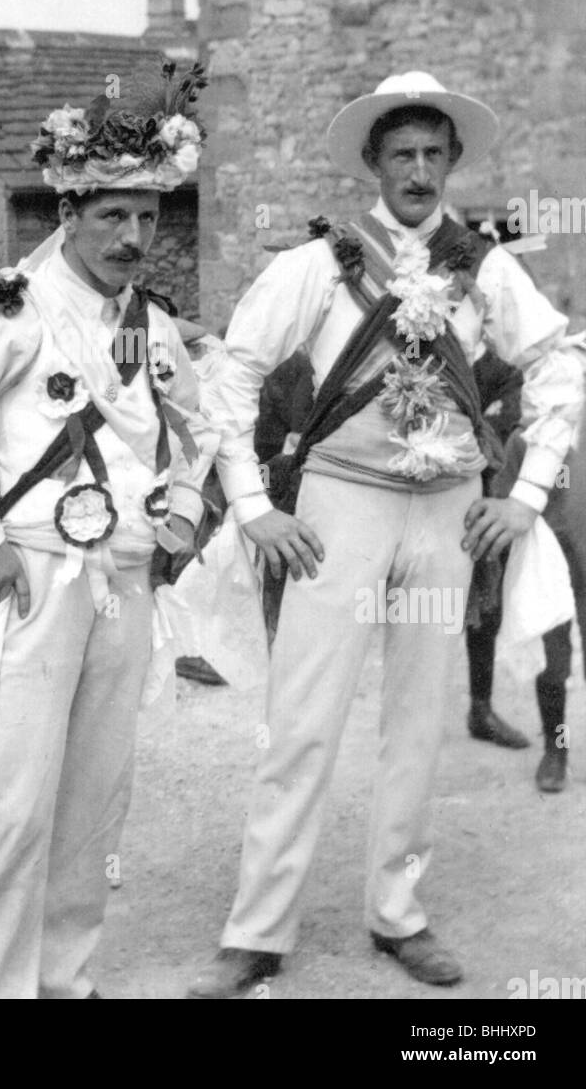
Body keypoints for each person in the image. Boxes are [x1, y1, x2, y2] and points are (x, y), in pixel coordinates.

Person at [188, 71, 584, 997]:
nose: (417, 169)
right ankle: (257, 933)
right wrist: (253, 508)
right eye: (400, 153)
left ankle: (398, 916)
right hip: (339, 509)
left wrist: (524, 493)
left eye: (433, 154)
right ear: (373, 163)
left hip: (448, 510)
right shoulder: (321, 262)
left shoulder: (484, 266)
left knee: (417, 725)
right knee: (302, 723)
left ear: (451, 163)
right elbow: (233, 371)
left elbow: (559, 361)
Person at [0, 61, 214, 1000]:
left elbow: (202, 424)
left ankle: (68, 982)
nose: (132, 237)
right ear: (68, 212)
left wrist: (185, 509)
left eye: (147, 218)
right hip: (36, 579)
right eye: (112, 216)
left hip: (130, 581)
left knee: (95, 804)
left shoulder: (151, 323)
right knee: (17, 807)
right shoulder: (13, 312)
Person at [466, 349, 586, 791]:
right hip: (552, 570)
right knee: (553, 668)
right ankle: (556, 751)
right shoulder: (526, 441)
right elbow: (503, 502)